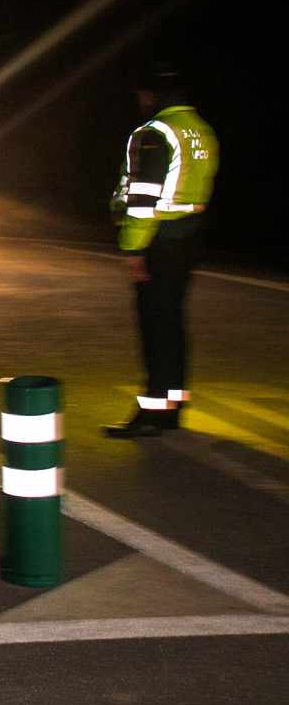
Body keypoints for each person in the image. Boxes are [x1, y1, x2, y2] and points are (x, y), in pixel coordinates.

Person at [104, 64, 219, 438]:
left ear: (153, 95)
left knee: (155, 327)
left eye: (143, 94)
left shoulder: (154, 133)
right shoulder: (202, 131)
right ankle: (172, 406)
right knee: (172, 324)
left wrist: (134, 250)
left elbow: (142, 201)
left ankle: (152, 413)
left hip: (159, 240)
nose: (140, 101)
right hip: (189, 238)